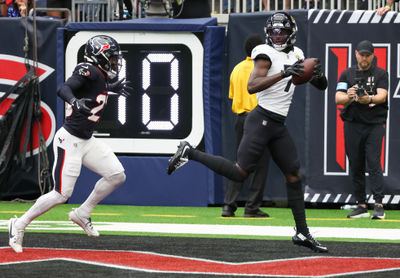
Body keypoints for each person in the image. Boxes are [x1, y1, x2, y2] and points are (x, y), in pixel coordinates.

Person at [167, 12, 328, 253]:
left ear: (291, 33)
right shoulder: (263, 52)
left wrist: (316, 75)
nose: (277, 36)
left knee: (294, 175)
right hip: (261, 118)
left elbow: (321, 85)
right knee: (240, 173)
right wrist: (285, 72)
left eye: (282, 32)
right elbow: (252, 86)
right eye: (274, 32)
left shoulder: (297, 55)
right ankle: (190, 152)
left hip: (277, 124)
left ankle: (302, 232)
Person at [8, 35, 133, 253]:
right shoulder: (88, 69)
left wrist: (111, 85)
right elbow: (64, 88)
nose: (115, 63)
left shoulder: (100, 75)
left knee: (117, 175)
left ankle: (82, 213)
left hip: (86, 140)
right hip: (70, 140)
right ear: (99, 56)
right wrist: (74, 101)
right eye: (111, 59)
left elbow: (95, 88)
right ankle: (19, 224)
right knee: (61, 194)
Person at [335, 40, 388, 220]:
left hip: (374, 124)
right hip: (352, 123)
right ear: (356, 54)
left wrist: (369, 98)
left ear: (373, 56)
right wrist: (349, 96)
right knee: (356, 164)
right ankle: (361, 205)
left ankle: (378, 205)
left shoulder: (381, 73)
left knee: (373, 162)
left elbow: (382, 95)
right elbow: (337, 97)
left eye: (368, 55)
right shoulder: (346, 73)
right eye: (362, 54)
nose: (364, 58)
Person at [222, 33, 270, 218]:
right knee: (261, 164)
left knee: (240, 163)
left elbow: (233, 96)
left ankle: (228, 205)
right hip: (260, 118)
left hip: (242, 119)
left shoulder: (236, 69)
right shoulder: (264, 68)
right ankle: (251, 207)